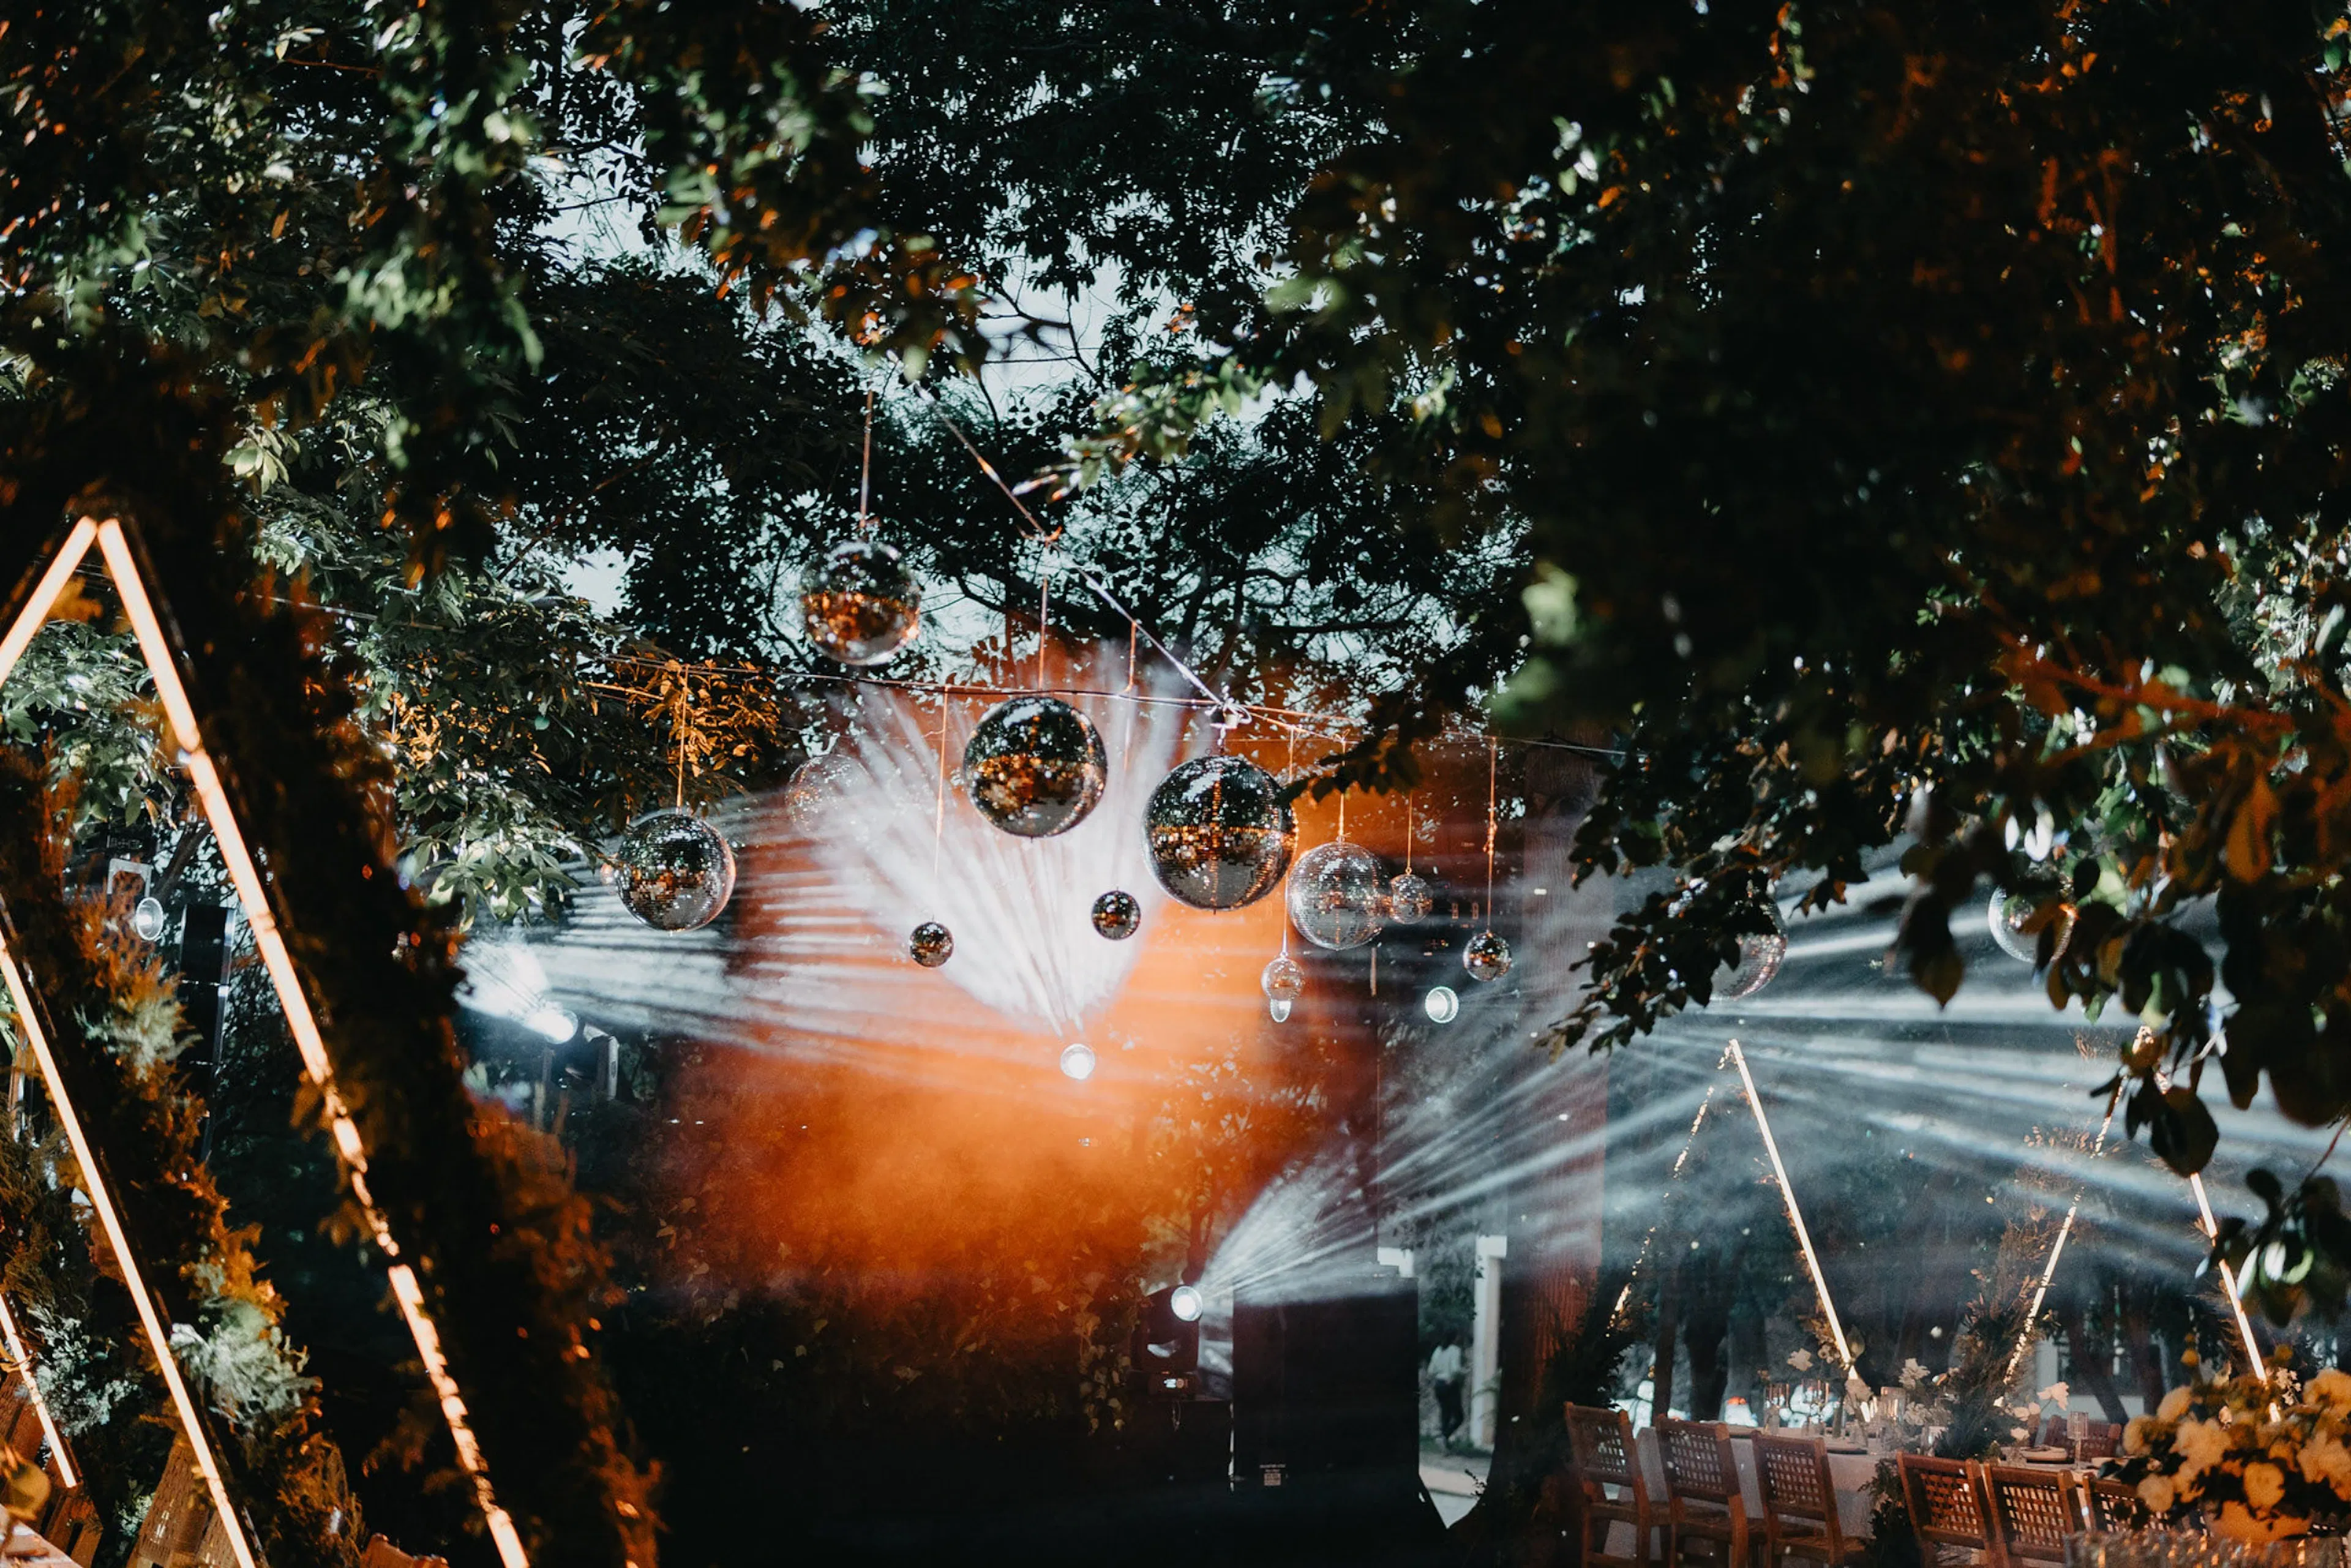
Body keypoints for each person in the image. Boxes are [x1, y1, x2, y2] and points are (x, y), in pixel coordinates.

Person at [1429, 1337, 1466, 1450]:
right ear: (1455, 1337)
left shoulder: (1438, 1350)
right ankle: (1445, 1436)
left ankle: (1445, 1444)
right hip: (1450, 1384)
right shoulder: (1455, 1350)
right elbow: (1456, 1369)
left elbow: (1431, 1370)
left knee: (1446, 1413)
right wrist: (1464, 1372)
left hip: (1439, 1385)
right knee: (1459, 1417)